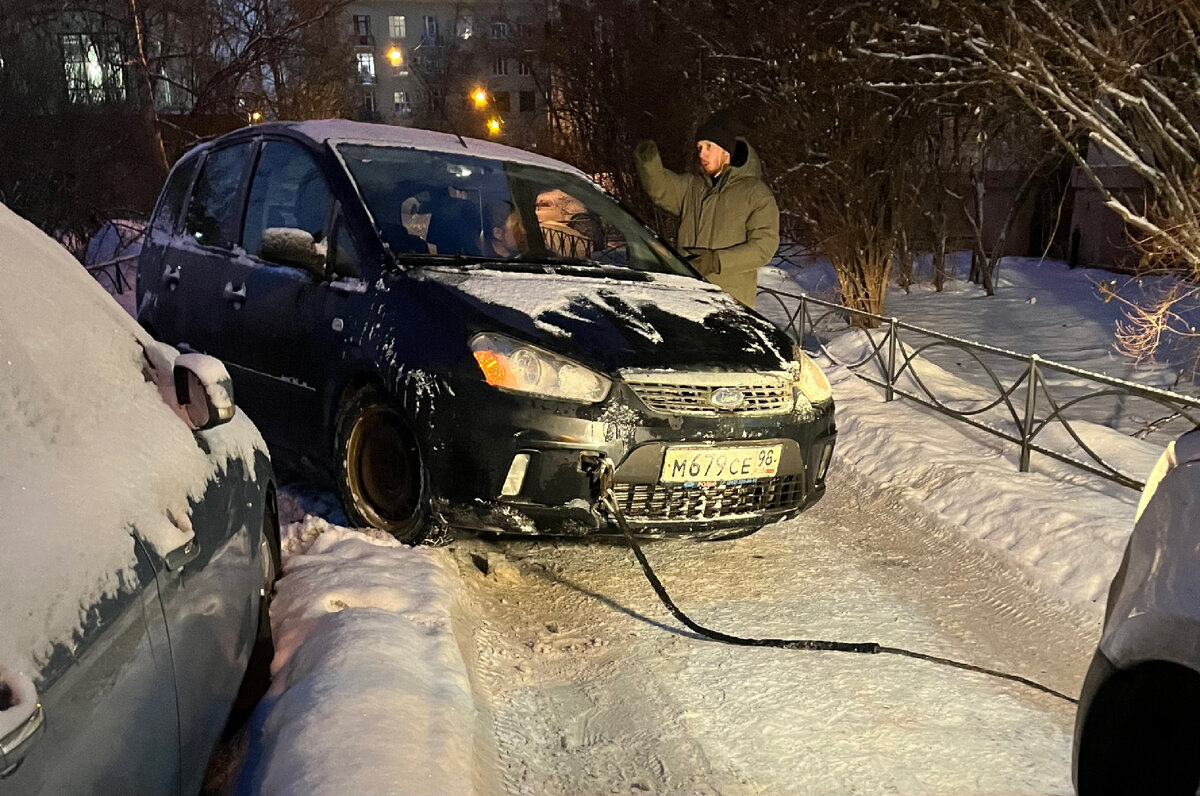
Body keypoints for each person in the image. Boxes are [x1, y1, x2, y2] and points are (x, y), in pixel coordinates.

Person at [634, 109, 780, 307]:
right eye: (700, 147)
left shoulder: (755, 194)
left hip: (731, 307)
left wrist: (717, 261)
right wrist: (648, 161)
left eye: (709, 146)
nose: (701, 153)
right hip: (688, 298)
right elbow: (660, 189)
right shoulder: (693, 187)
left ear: (726, 150)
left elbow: (764, 248)